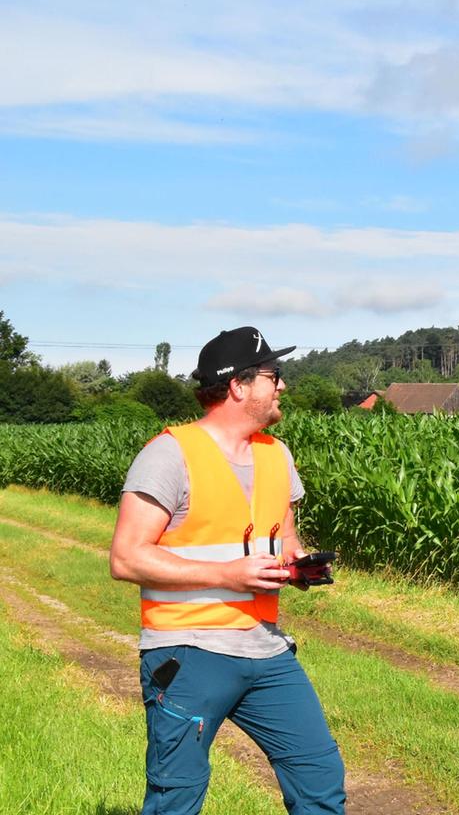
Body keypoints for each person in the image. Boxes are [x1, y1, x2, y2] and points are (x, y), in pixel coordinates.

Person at [109, 326, 345, 814]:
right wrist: (226, 575)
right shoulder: (169, 455)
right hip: (188, 653)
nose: (282, 385)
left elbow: (285, 539)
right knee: (177, 796)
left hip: (267, 650)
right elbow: (127, 556)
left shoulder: (275, 454)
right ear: (238, 386)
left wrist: (299, 567)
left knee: (320, 778)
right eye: (272, 375)